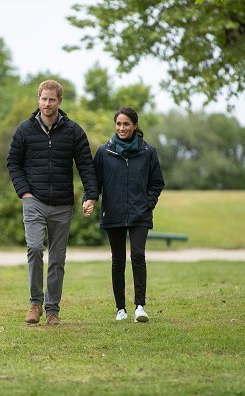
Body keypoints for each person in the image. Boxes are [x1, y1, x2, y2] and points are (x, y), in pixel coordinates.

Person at [7, 79, 98, 325]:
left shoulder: (73, 131)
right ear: (38, 99)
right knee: (35, 248)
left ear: (59, 101)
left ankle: (52, 311)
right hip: (33, 200)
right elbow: (13, 162)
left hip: (62, 204)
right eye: (43, 99)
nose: (47, 103)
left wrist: (91, 194)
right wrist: (24, 191)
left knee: (57, 258)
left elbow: (86, 165)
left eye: (52, 99)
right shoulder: (25, 130)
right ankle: (35, 303)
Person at [84, 107, 164, 322]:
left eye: (126, 124)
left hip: (140, 213)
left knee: (138, 256)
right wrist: (89, 199)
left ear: (135, 126)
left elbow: (157, 182)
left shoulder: (148, 152)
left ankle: (140, 307)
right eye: (118, 124)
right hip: (114, 212)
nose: (121, 128)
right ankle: (121, 309)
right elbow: (94, 182)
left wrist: (148, 203)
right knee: (118, 260)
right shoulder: (104, 152)